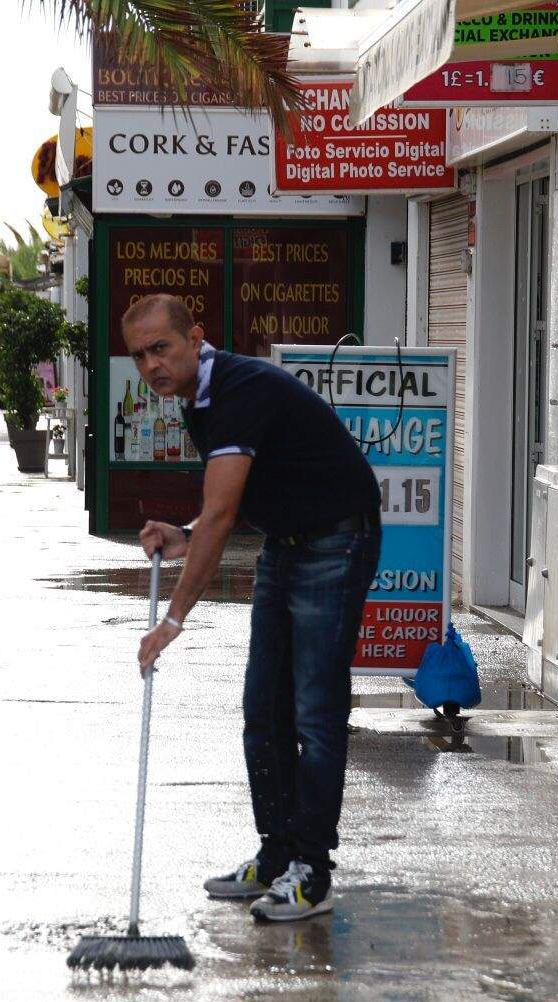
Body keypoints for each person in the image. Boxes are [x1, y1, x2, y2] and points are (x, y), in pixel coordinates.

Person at [126, 294, 381, 924]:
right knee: (262, 710)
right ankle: (274, 857)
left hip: (336, 541)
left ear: (195, 338)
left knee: (315, 713)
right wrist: (185, 531)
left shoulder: (237, 390)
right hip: (286, 543)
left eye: (162, 347)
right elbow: (227, 503)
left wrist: (172, 620)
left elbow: (220, 515)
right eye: (139, 354)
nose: (151, 364)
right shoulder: (201, 400)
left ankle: (311, 873)